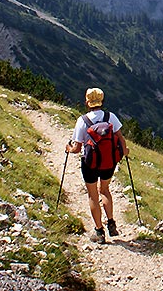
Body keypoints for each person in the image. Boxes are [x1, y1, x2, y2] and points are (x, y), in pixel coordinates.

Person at [65, 87, 129, 243]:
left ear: (87, 102)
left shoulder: (82, 121)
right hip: (109, 163)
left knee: (93, 195)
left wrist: (69, 149)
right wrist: (124, 152)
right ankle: (111, 222)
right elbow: (120, 138)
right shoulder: (110, 117)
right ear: (101, 101)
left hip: (90, 164)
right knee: (105, 190)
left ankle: (99, 231)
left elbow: (78, 148)